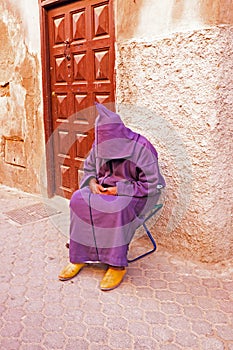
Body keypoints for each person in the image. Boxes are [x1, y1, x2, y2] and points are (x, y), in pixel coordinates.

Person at [59, 103, 165, 291]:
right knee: (78, 200)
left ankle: (116, 265)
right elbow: (89, 169)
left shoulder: (142, 148)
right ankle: (79, 256)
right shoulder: (100, 145)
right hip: (105, 189)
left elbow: (150, 184)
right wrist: (92, 183)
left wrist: (118, 190)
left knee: (116, 207)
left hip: (138, 194)